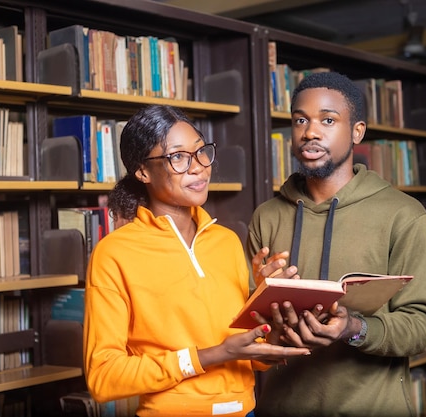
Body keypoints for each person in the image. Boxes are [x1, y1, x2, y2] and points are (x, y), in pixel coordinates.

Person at [83, 104, 311, 417]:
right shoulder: (113, 255)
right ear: (142, 171)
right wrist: (211, 355)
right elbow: (103, 377)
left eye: (201, 151)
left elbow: (248, 356)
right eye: (178, 157)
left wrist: (271, 315)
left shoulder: (227, 242)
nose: (199, 167)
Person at [248, 71, 426, 417]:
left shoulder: (403, 215)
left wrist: (354, 328)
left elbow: (422, 325)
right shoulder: (266, 216)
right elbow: (254, 339)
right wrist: (264, 306)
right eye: (300, 120)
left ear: (357, 132)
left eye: (327, 120)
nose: (310, 131)